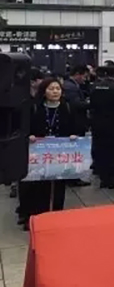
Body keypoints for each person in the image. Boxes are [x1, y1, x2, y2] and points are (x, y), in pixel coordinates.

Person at [19, 78, 81, 231]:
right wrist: (29, 136)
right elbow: (24, 127)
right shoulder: (35, 107)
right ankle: (34, 217)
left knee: (58, 185)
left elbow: (77, 126)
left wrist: (74, 135)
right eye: (51, 89)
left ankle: (56, 215)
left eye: (57, 89)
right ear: (44, 91)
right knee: (37, 186)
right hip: (39, 153)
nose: (55, 92)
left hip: (59, 153)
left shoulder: (68, 107)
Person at [89, 64, 114, 189]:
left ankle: (102, 174)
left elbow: (91, 103)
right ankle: (110, 178)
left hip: (97, 123)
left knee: (101, 149)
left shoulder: (95, 87)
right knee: (113, 151)